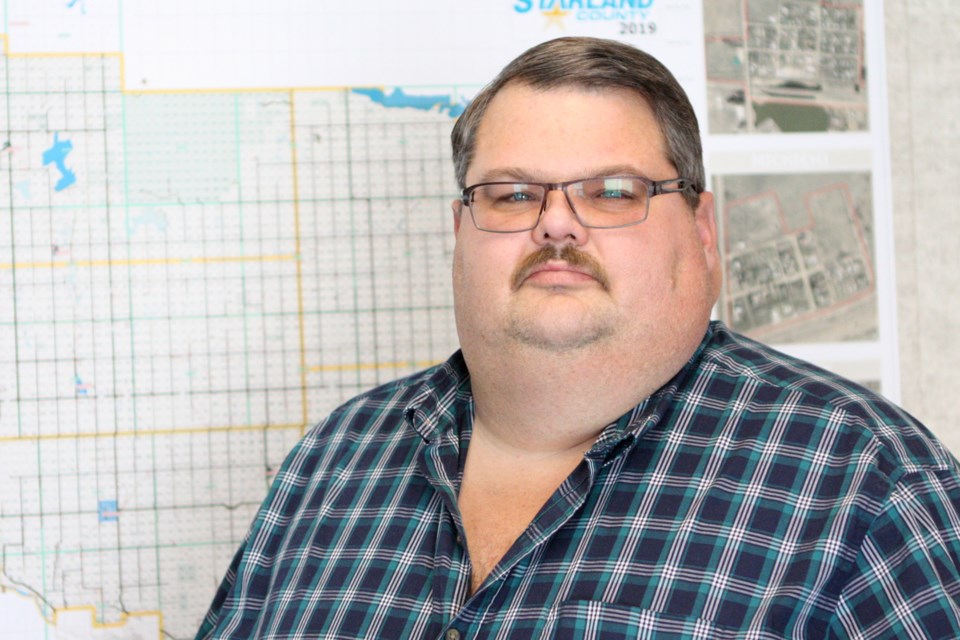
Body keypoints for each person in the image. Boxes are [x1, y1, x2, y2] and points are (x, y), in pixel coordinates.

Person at [196, 37, 960, 639]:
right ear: (460, 231)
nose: (556, 222)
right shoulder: (334, 459)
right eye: (513, 193)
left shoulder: (865, 482)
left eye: (614, 192)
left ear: (702, 233)